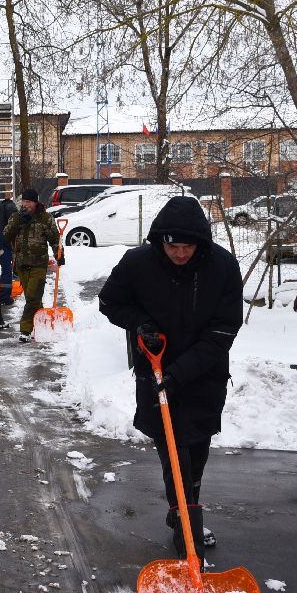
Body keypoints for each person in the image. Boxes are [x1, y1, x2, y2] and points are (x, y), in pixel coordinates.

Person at [98, 196, 244, 557]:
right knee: (173, 452)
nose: (180, 253)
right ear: (160, 240)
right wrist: (140, 323)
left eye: (188, 246)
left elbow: (224, 330)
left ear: (201, 243)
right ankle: (185, 520)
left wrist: (182, 372)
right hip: (156, 371)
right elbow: (110, 302)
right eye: (173, 245)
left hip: (203, 375)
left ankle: (185, 504)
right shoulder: (139, 263)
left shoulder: (222, 267)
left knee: (197, 451)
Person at [3, 189, 61, 343]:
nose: (26, 204)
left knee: (33, 297)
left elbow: (55, 239)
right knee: (32, 298)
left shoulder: (45, 218)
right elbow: (6, 236)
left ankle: (25, 330)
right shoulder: (16, 217)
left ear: (36, 203)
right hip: (21, 264)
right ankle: (40, 325)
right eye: (24, 201)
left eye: (29, 202)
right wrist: (17, 222)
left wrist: (59, 256)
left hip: (39, 264)